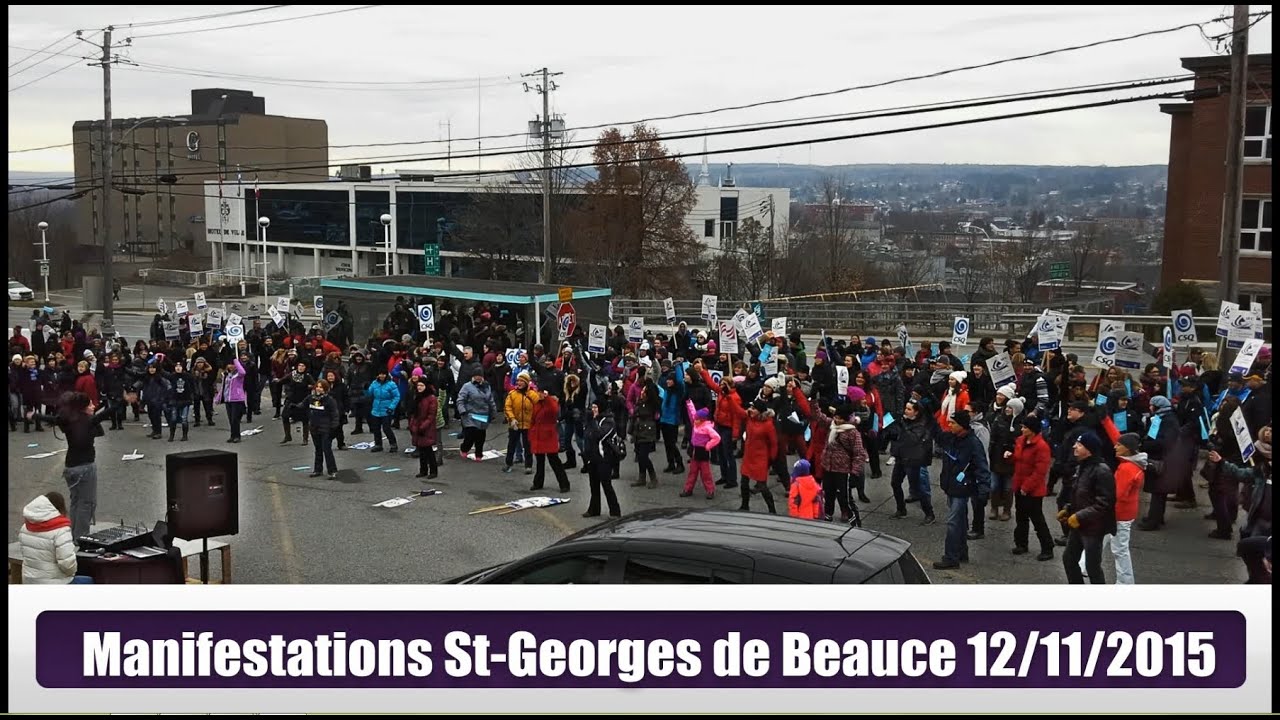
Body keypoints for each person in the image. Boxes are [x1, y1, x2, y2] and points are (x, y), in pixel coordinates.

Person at [29, 392, 112, 542]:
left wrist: (35, 415)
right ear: (83, 408)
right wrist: (124, 401)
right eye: (90, 405)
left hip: (70, 468)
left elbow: (52, 419)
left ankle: (73, 535)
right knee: (86, 504)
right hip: (85, 467)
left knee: (76, 502)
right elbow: (106, 413)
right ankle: (81, 539)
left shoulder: (67, 419)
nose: (94, 406)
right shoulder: (87, 421)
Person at [1079, 432, 1145, 584]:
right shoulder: (1132, 465)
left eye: (1119, 445)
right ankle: (1083, 565)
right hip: (1122, 512)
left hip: (1119, 514)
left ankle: (1125, 582)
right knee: (1100, 538)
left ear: (1128, 449)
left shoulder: (1127, 468)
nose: (1115, 446)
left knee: (1119, 549)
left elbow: (1118, 494)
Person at [933, 410, 992, 570]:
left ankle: (950, 557)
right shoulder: (951, 438)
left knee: (953, 523)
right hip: (950, 486)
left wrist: (984, 490)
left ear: (962, 426)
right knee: (960, 521)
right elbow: (937, 433)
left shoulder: (973, 444)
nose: (949, 425)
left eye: (953, 423)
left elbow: (982, 467)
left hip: (962, 488)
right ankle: (961, 552)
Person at [1057, 431, 1117, 585]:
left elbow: (1104, 503)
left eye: (1080, 444)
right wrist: (1069, 509)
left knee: (1092, 568)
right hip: (1079, 525)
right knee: (1069, 560)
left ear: (1089, 449)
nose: (1075, 446)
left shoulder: (1102, 471)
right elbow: (1081, 496)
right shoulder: (1082, 467)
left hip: (1093, 528)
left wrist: (1079, 516)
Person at [1010, 414, 1055, 561]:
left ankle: (1047, 547)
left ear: (1033, 430)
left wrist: (1027, 486)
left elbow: (1040, 471)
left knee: (1037, 519)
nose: (1022, 429)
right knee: (1021, 517)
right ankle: (1021, 543)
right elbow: (1018, 459)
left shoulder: (1041, 447)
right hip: (1019, 485)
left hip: (1033, 490)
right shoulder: (1020, 441)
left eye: (1025, 427)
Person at [20, 491, 89, 584]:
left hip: (29, 581)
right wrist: (73, 571)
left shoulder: (25, 527)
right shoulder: (61, 530)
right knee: (89, 581)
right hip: (55, 583)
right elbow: (67, 564)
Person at [886, 398, 936, 525]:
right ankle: (901, 509)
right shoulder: (903, 421)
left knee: (919, 488)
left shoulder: (921, 425)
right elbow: (894, 435)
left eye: (909, 409)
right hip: (901, 457)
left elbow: (913, 439)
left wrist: (903, 426)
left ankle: (929, 513)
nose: (906, 411)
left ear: (916, 412)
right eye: (906, 408)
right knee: (895, 483)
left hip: (914, 460)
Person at [582, 399, 622, 518]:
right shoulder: (592, 421)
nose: (593, 410)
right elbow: (586, 436)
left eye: (595, 407)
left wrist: (592, 422)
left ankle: (615, 511)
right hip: (592, 457)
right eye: (592, 407)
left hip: (604, 457)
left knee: (606, 484)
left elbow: (599, 435)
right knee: (593, 485)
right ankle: (594, 509)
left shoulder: (608, 421)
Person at [739, 400, 778, 514]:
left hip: (760, 458)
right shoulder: (750, 418)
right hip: (748, 456)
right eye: (751, 407)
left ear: (760, 411)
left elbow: (774, 443)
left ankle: (772, 510)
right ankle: (744, 505)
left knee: (762, 486)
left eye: (754, 408)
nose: (751, 409)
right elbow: (737, 411)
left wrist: (771, 459)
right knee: (744, 482)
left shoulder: (768, 424)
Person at [528, 389, 570, 493]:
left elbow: (554, 409)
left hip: (548, 436)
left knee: (554, 461)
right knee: (539, 462)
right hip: (538, 435)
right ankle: (538, 483)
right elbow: (533, 418)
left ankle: (564, 484)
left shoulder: (551, 403)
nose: (539, 394)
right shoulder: (537, 403)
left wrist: (547, 398)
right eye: (539, 392)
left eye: (542, 392)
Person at [680, 400, 721, 499]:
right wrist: (689, 403)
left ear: (702, 419)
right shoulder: (696, 424)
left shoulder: (707, 428)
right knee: (692, 473)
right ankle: (688, 489)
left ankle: (710, 490)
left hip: (703, 453)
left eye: (697, 419)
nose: (694, 420)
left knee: (706, 474)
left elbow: (717, 438)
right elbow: (692, 412)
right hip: (695, 453)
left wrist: (708, 445)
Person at [457, 369, 498, 461]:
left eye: (480, 376)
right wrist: (462, 410)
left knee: (480, 436)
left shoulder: (487, 386)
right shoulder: (467, 386)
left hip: (483, 414)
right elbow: (460, 399)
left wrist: (493, 412)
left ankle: (479, 454)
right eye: (476, 376)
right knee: (470, 435)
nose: (478, 377)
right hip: (470, 414)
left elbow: (491, 400)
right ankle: (464, 448)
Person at [503, 371, 539, 475]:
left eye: (521, 381)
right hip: (515, 424)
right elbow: (507, 407)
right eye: (518, 380)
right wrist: (512, 419)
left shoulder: (533, 394)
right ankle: (508, 464)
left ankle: (528, 465)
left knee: (528, 446)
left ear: (526, 383)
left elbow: (538, 407)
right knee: (511, 445)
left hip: (528, 425)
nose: (519, 382)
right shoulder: (512, 394)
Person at [408, 377, 441, 479]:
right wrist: (412, 425)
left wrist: (422, 426)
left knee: (428, 451)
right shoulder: (417, 397)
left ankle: (433, 471)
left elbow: (431, 416)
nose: (419, 387)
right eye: (418, 385)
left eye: (421, 385)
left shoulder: (431, 398)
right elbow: (413, 413)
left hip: (427, 428)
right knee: (421, 451)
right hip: (418, 426)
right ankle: (423, 470)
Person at [366, 368, 401, 453]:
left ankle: (393, 444)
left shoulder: (391, 384)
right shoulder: (374, 383)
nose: (381, 376)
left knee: (386, 428)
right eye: (380, 374)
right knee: (376, 428)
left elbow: (396, 397)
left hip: (386, 409)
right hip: (376, 409)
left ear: (386, 375)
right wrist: (366, 388)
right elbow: (369, 394)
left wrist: (391, 407)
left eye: (383, 374)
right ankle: (378, 444)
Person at [216, 356, 248, 443]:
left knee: (235, 419)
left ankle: (237, 436)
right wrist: (218, 397)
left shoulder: (239, 375)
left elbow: (243, 372)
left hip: (237, 399)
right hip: (228, 399)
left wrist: (235, 360)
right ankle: (232, 435)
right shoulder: (226, 375)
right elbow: (224, 387)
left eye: (232, 364)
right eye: (229, 364)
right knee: (231, 419)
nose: (231, 366)